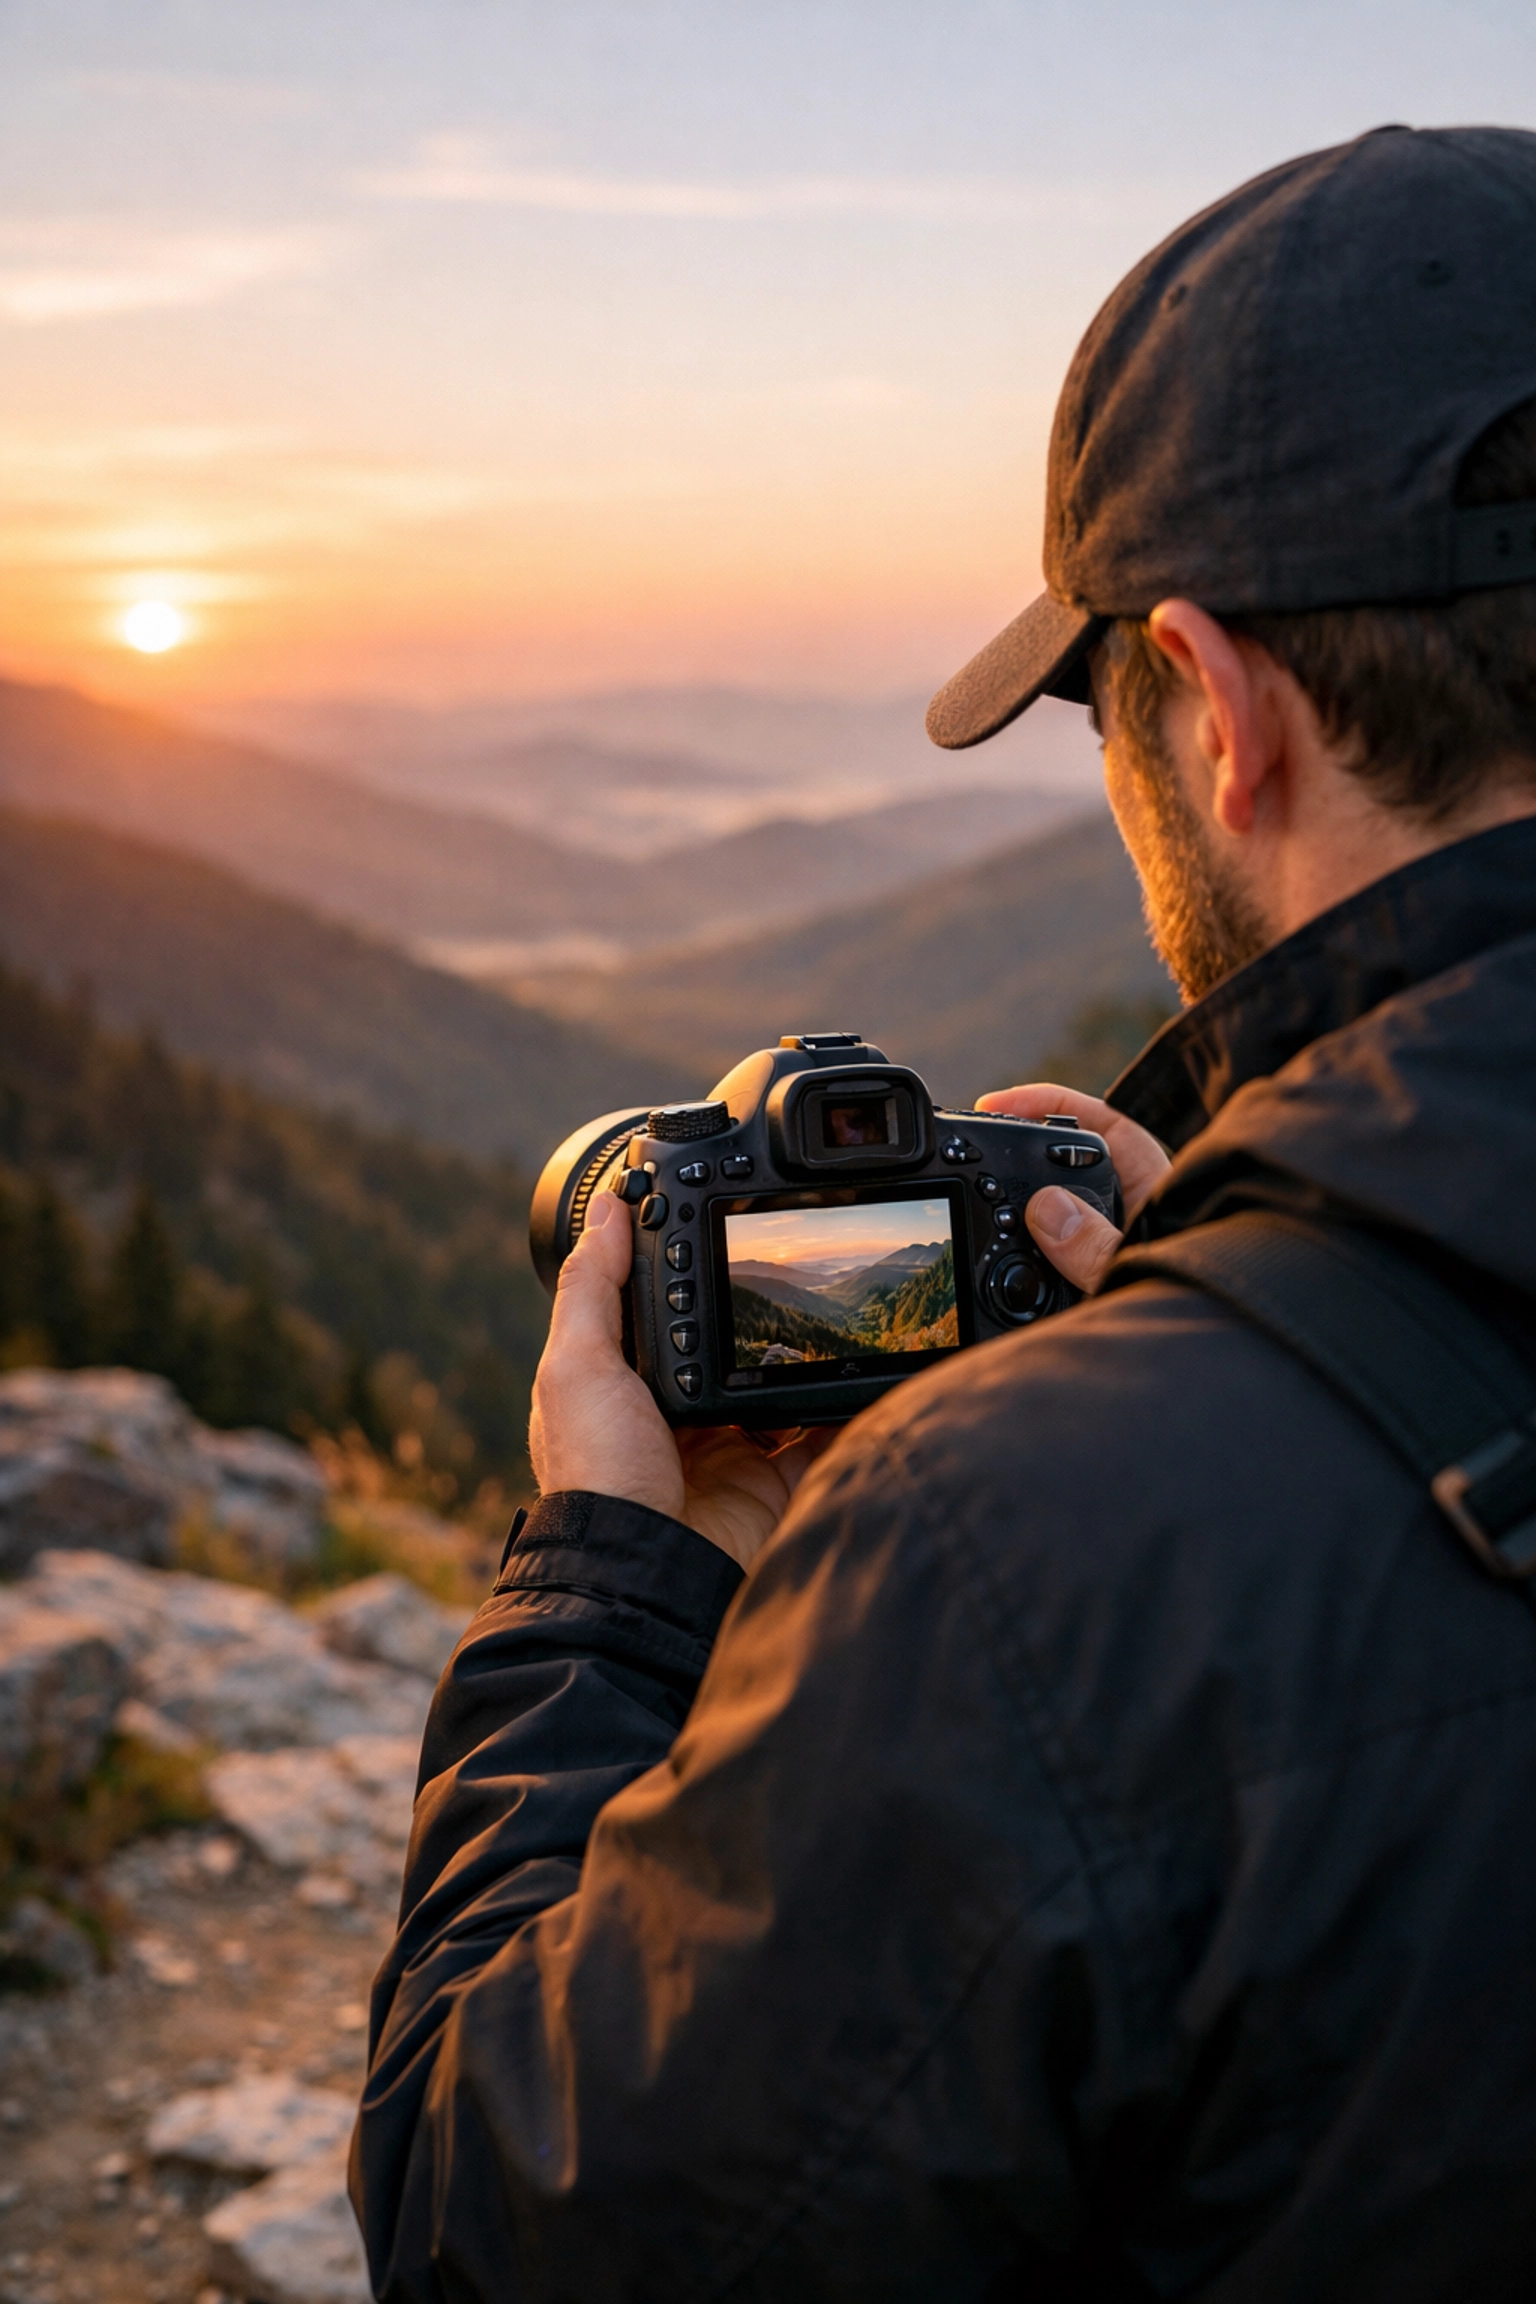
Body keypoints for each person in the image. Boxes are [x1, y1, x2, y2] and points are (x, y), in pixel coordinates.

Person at [353, 126, 1536, 2300]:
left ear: (1222, 704)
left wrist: (621, 1584)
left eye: (1108, 712)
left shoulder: (1034, 1558)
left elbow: (498, 2234)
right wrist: (1289, 1296)